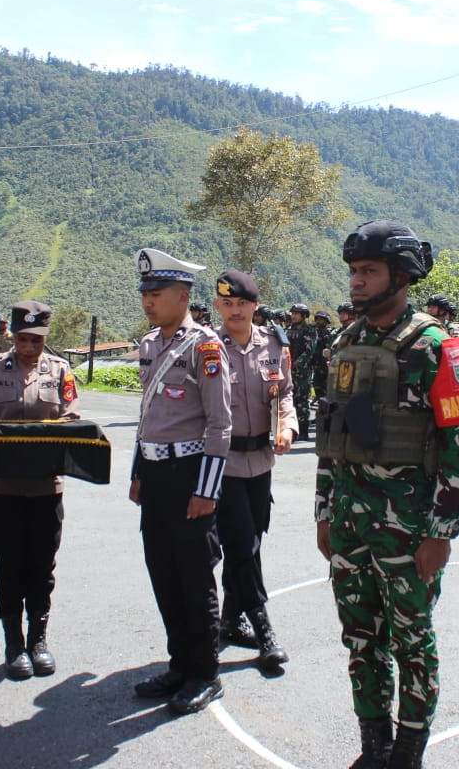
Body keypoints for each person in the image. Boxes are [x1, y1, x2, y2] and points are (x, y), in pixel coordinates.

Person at [315, 220, 459, 769]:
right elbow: (330, 437)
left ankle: (408, 751)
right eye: (354, 272)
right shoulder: (345, 342)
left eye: (368, 272)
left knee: (411, 642)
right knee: (360, 639)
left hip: (408, 527)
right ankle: (373, 746)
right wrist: (324, 513)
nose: (356, 283)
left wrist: (439, 534)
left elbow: (458, 449)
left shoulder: (436, 345)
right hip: (349, 523)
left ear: (401, 277)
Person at [129, 249, 232, 715]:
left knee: (195, 579)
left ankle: (204, 673)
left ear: (182, 296)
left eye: (156, 294)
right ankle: (178, 663)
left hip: (190, 475)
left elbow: (219, 425)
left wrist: (206, 491)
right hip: (155, 475)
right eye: (145, 294)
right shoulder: (151, 344)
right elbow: (148, 416)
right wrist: (137, 471)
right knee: (163, 574)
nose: (148, 301)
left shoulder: (204, 346)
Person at [0, 301, 79, 680]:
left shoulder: (60, 370)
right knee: (8, 565)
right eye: (22, 338)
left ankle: (38, 639)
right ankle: (13, 642)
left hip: (46, 486)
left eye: (36, 339)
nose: (29, 347)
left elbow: (69, 418)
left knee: (42, 565)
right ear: (12, 335)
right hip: (3, 487)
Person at [211, 269, 295, 670]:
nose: (235, 311)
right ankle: (263, 627)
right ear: (217, 307)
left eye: (242, 303)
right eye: (227, 304)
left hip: (262, 461)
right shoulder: (207, 348)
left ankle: (228, 619)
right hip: (222, 465)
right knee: (243, 544)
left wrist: (287, 425)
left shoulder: (275, 345)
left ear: (254, 306)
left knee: (251, 541)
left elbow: (286, 394)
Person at [286, 303, 316, 440]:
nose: (293, 316)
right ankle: (292, 430)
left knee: (302, 400)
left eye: (296, 314)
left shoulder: (309, 330)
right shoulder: (289, 330)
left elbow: (309, 350)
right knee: (290, 399)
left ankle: (303, 431)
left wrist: (297, 362)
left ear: (303, 316)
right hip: (289, 369)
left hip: (302, 371)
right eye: (292, 313)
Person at [311, 310, 334, 401]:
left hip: (326, 366)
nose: (318, 321)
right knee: (316, 386)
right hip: (316, 366)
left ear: (326, 321)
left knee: (326, 388)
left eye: (321, 319)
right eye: (317, 319)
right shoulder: (313, 333)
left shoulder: (330, 334)